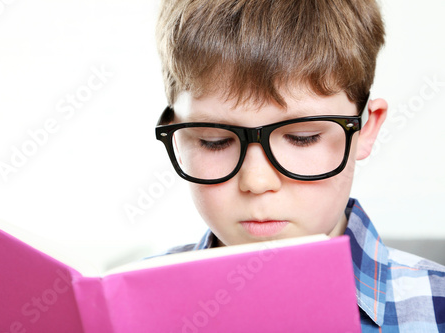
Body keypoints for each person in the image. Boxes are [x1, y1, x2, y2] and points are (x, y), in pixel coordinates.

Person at [154, 0, 445, 331]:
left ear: (365, 129)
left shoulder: (436, 307)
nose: (257, 180)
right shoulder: (130, 311)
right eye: (213, 140)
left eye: (302, 137)